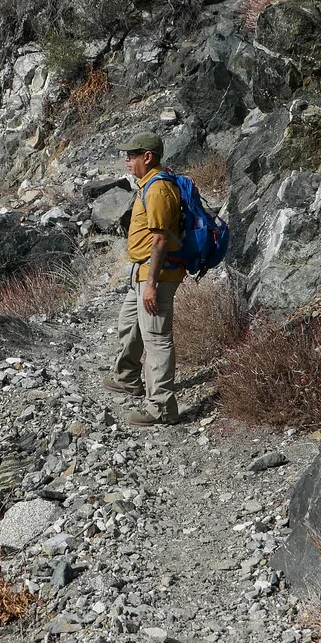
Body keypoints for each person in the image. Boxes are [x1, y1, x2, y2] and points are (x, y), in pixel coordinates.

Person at [104, 129, 184, 428]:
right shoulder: (147, 184)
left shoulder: (158, 190)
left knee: (157, 338)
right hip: (142, 271)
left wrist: (150, 284)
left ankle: (162, 407)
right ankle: (128, 379)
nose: (126, 160)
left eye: (131, 155)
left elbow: (160, 240)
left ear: (147, 157)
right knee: (129, 323)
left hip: (157, 275)